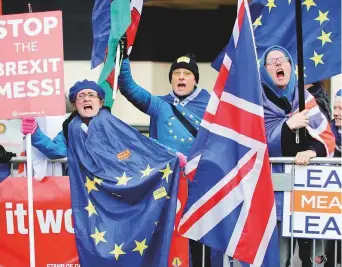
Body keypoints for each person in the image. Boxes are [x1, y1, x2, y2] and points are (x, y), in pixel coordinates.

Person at [118, 48, 211, 266]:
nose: (181, 77)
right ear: (170, 79)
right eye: (176, 73)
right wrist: (123, 57)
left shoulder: (212, 104)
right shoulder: (160, 105)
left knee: (199, 238)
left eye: (186, 73)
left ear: (195, 79)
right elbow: (128, 88)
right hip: (169, 184)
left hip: (201, 183)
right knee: (168, 235)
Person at [260, 45, 335, 267]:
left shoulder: (305, 98)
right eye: (272, 62)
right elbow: (255, 142)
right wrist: (287, 126)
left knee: (313, 257)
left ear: (292, 67)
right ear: (264, 70)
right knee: (278, 258)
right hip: (273, 197)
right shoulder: (256, 100)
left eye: (283, 60)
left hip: (307, 196)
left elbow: (326, 138)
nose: (278, 64)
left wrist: (312, 151)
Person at [325, 89, 341, 267]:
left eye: (341, 109)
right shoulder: (326, 131)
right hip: (331, 203)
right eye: (335, 108)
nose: (335, 113)